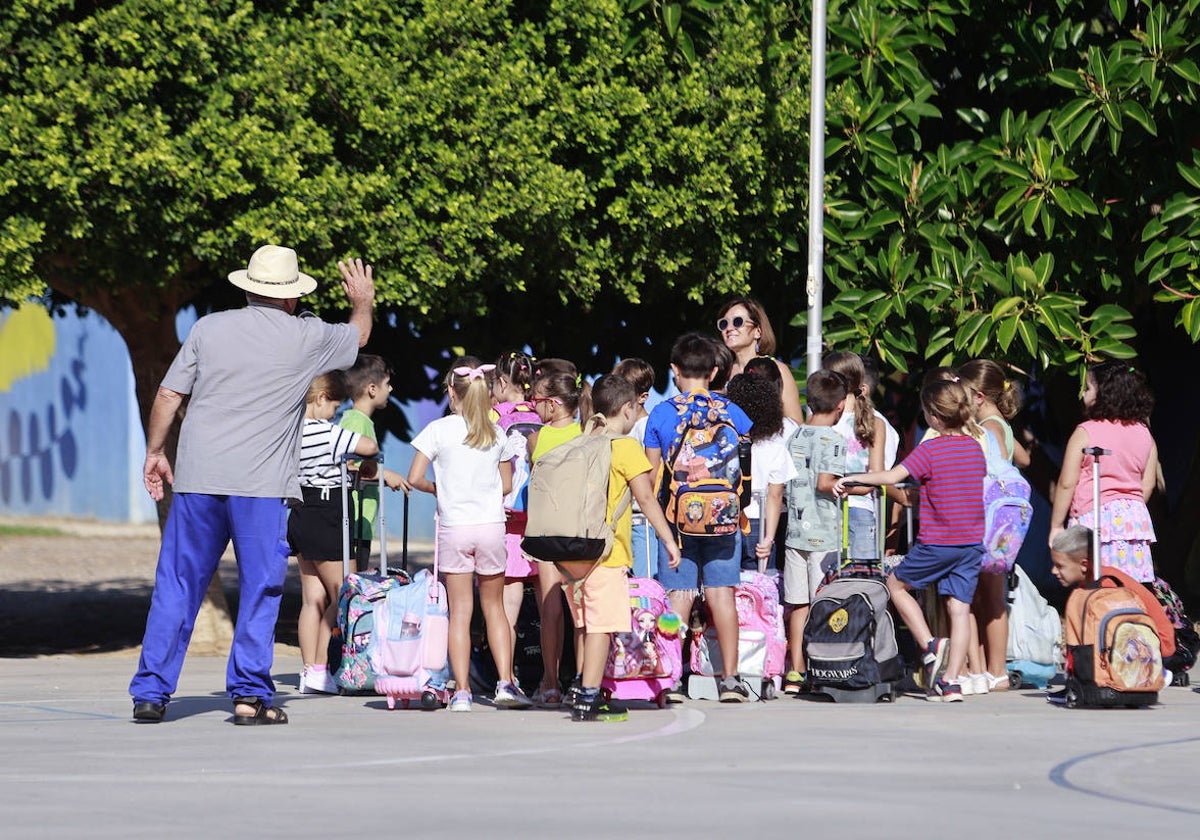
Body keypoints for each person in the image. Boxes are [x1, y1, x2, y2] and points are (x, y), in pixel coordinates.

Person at [130, 245, 375, 725]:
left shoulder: (208, 328)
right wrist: (361, 299)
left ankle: (152, 694)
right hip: (261, 486)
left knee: (178, 584)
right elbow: (359, 335)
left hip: (199, 478)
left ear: (247, 288)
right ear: (290, 297)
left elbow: (168, 392)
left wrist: (156, 452)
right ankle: (247, 697)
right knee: (260, 588)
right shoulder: (306, 335)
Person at [834, 378, 987, 702]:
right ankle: (951, 682)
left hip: (937, 542)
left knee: (895, 585)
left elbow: (891, 477)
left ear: (932, 416)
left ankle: (930, 645)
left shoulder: (930, 449)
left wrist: (853, 478)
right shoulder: (974, 447)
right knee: (959, 609)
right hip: (972, 542)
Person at [405, 357, 532, 713]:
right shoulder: (495, 432)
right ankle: (505, 683)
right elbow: (507, 484)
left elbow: (414, 478)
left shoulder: (437, 430)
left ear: (451, 392)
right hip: (491, 527)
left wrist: (438, 490)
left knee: (460, 612)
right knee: (494, 609)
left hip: (454, 528)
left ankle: (461, 691)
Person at [558, 375, 681, 721]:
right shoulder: (624, 446)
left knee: (584, 625)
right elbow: (645, 496)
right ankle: (588, 697)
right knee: (600, 627)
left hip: (571, 551)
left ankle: (583, 685)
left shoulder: (582, 441)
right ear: (628, 409)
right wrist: (668, 539)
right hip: (606, 554)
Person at [644, 332, 753, 703]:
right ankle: (731, 679)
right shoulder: (734, 413)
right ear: (715, 369)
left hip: (676, 521)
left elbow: (650, 473)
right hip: (725, 518)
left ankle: (672, 678)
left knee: (679, 599)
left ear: (674, 370)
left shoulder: (661, 414)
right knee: (723, 597)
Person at [289, 371, 379, 694]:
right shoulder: (329, 434)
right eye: (335, 407)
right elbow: (369, 445)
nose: (336, 414)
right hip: (329, 514)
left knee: (312, 599)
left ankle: (309, 671)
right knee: (344, 593)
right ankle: (320, 666)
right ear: (321, 398)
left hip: (300, 512)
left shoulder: (292, 433)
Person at [1049, 361, 1160, 583]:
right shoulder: (1144, 434)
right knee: (1130, 587)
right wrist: (1126, 508)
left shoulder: (1085, 432)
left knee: (1097, 585)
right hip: (1134, 522)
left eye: (1088, 387)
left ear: (1104, 393)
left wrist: (1056, 526)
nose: (1082, 393)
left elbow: (1067, 482)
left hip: (1095, 518)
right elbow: (1147, 484)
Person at [957, 359, 1030, 692]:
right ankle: (991, 669)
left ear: (978, 396)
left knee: (984, 597)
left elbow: (995, 472)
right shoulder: (1001, 424)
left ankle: (993, 670)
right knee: (990, 597)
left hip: (988, 520)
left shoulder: (988, 428)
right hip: (1001, 523)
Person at [1048, 525, 1176, 701]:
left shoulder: (1106, 587)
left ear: (1084, 564)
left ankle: (1153, 672)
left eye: (1059, 566)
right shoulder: (1088, 586)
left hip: (1159, 647)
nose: (1053, 571)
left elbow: (1118, 633)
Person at [781, 370, 848, 694]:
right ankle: (823, 666)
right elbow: (826, 483)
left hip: (795, 533)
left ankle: (796, 671)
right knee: (825, 600)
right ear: (841, 405)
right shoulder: (834, 440)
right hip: (824, 533)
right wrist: (851, 485)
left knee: (797, 604)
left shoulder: (795, 436)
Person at [525, 364, 587, 705]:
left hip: (547, 530)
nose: (533, 406)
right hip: (579, 532)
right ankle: (581, 679)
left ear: (553, 404)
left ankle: (550, 682)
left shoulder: (538, 437)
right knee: (580, 610)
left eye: (537, 400)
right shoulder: (586, 433)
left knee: (551, 608)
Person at [490, 350, 543, 692]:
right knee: (547, 604)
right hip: (539, 518)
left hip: (507, 517)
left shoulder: (495, 417)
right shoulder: (543, 414)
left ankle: (506, 679)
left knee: (507, 608)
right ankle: (550, 682)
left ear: (504, 382)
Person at [339, 354, 411, 571]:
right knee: (352, 590)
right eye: (387, 384)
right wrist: (385, 474)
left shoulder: (362, 422)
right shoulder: (354, 422)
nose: (390, 389)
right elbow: (347, 466)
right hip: (353, 521)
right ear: (372, 389)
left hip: (362, 524)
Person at [724, 373, 798, 572]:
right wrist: (769, 539)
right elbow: (775, 495)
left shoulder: (724, 445)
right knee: (760, 587)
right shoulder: (776, 449)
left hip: (726, 519)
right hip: (760, 524)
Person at [823, 351, 887, 562]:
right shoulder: (876, 422)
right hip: (859, 508)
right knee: (861, 583)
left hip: (830, 507)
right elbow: (876, 476)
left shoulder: (824, 421)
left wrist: (839, 486)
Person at [717, 298, 803, 424]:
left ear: (757, 331)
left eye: (737, 322)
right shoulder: (722, 372)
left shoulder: (778, 369)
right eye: (724, 324)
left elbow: (795, 423)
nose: (729, 328)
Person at [612, 357, 661, 578]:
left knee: (645, 583)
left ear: (643, 397)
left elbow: (652, 475)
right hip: (619, 518)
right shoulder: (620, 428)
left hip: (642, 518)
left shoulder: (646, 428)